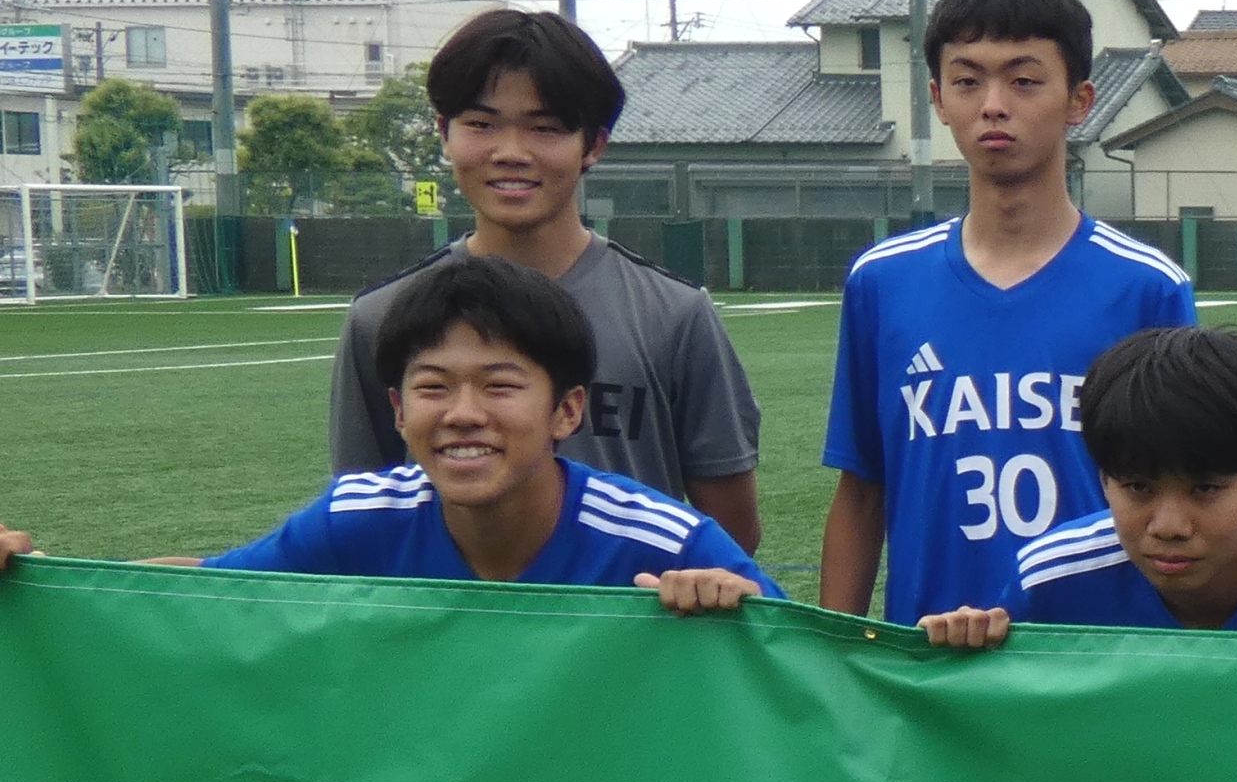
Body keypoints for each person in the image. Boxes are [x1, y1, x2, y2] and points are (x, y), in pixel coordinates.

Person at [819, 0, 1193, 627]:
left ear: (1079, 100)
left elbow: (1187, 500)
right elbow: (862, 489)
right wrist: (834, 655)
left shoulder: (1148, 289)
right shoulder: (882, 281)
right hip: (930, 655)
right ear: (937, 99)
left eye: (1024, 81)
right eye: (968, 81)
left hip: (1091, 657)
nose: (994, 105)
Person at [328, 8, 762, 549]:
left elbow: (732, 535)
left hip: (620, 603)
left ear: (594, 145)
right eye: (481, 124)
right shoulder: (380, 317)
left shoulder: (673, 315)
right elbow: (359, 522)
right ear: (444, 133)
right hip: (452, 606)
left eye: (545, 128)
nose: (511, 153)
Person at [125, 251, 770, 605]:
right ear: (398, 411)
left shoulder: (662, 543)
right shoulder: (356, 520)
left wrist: (729, 607)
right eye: (433, 387)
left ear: (567, 411)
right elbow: (208, 588)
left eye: (500, 386)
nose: (463, 413)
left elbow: (796, 657)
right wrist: (65, 588)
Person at [903, 326, 1237, 657]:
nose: (1168, 526)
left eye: (1205, 488)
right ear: (1103, 479)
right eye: (1137, 487)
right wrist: (953, 659)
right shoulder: (1049, 583)